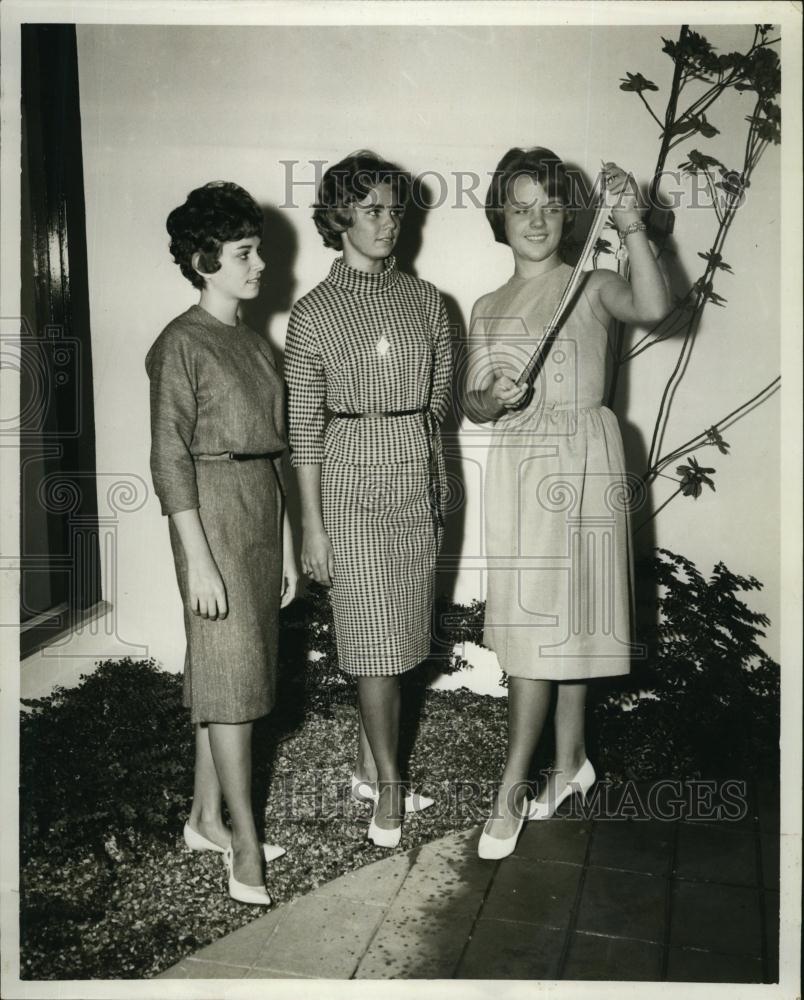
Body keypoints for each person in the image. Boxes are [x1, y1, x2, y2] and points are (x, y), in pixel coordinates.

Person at [464, 148, 669, 859]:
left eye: (551, 206)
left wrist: (633, 224)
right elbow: (472, 403)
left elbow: (654, 306)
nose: (537, 220)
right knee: (529, 631)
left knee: (572, 617)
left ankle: (523, 784)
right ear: (500, 215)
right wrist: (493, 398)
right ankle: (564, 765)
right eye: (521, 207)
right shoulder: (487, 308)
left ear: (570, 215)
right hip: (522, 469)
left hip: (585, 459)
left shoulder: (593, 285)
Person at [285, 151, 451, 848]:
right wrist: (312, 530)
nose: (389, 223)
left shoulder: (427, 301)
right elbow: (301, 431)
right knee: (373, 646)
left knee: (404, 639)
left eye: (395, 210)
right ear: (340, 217)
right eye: (374, 210)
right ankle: (389, 786)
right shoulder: (313, 314)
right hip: (349, 481)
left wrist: (427, 468)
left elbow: (439, 396)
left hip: (419, 477)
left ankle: (365, 763)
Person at [145, 181, 297, 903]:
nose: (259, 263)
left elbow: (276, 453)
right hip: (209, 515)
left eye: (256, 249)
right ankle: (244, 843)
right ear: (206, 261)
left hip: (260, 513)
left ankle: (204, 817)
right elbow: (168, 456)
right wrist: (198, 558)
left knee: (232, 673)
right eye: (244, 253)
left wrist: (291, 546)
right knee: (233, 682)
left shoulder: (251, 343)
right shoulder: (179, 344)